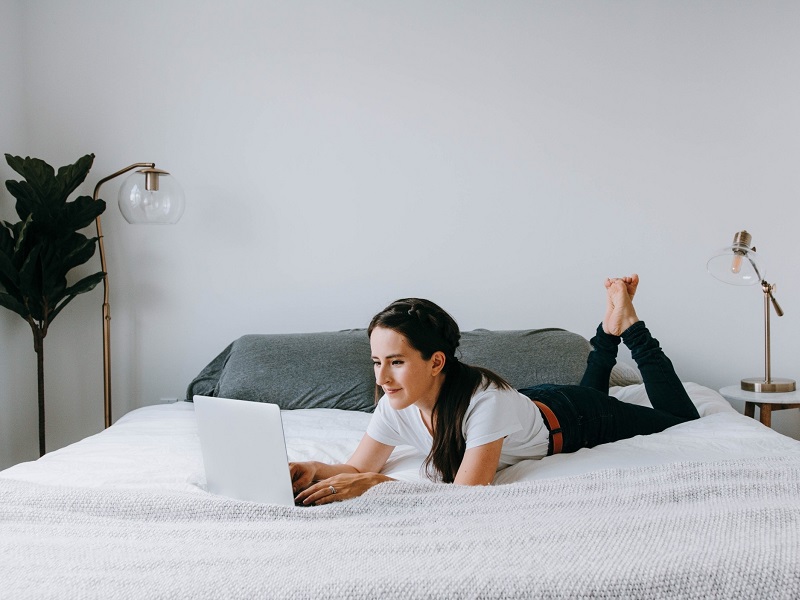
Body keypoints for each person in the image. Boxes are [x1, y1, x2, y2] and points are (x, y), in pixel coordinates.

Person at [291, 275, 700, 506]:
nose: (382, 377)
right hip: (534, 404)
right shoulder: (395, 403)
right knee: (591, 390)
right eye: (376, 362)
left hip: (577, 419)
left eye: (396, 362)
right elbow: (356, 468)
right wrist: (314, 469)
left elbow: (467, 497)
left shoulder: (486, 402)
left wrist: (374, 485)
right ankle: (607, 331)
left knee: (680, 419)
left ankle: (628, 327)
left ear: (436, 362)